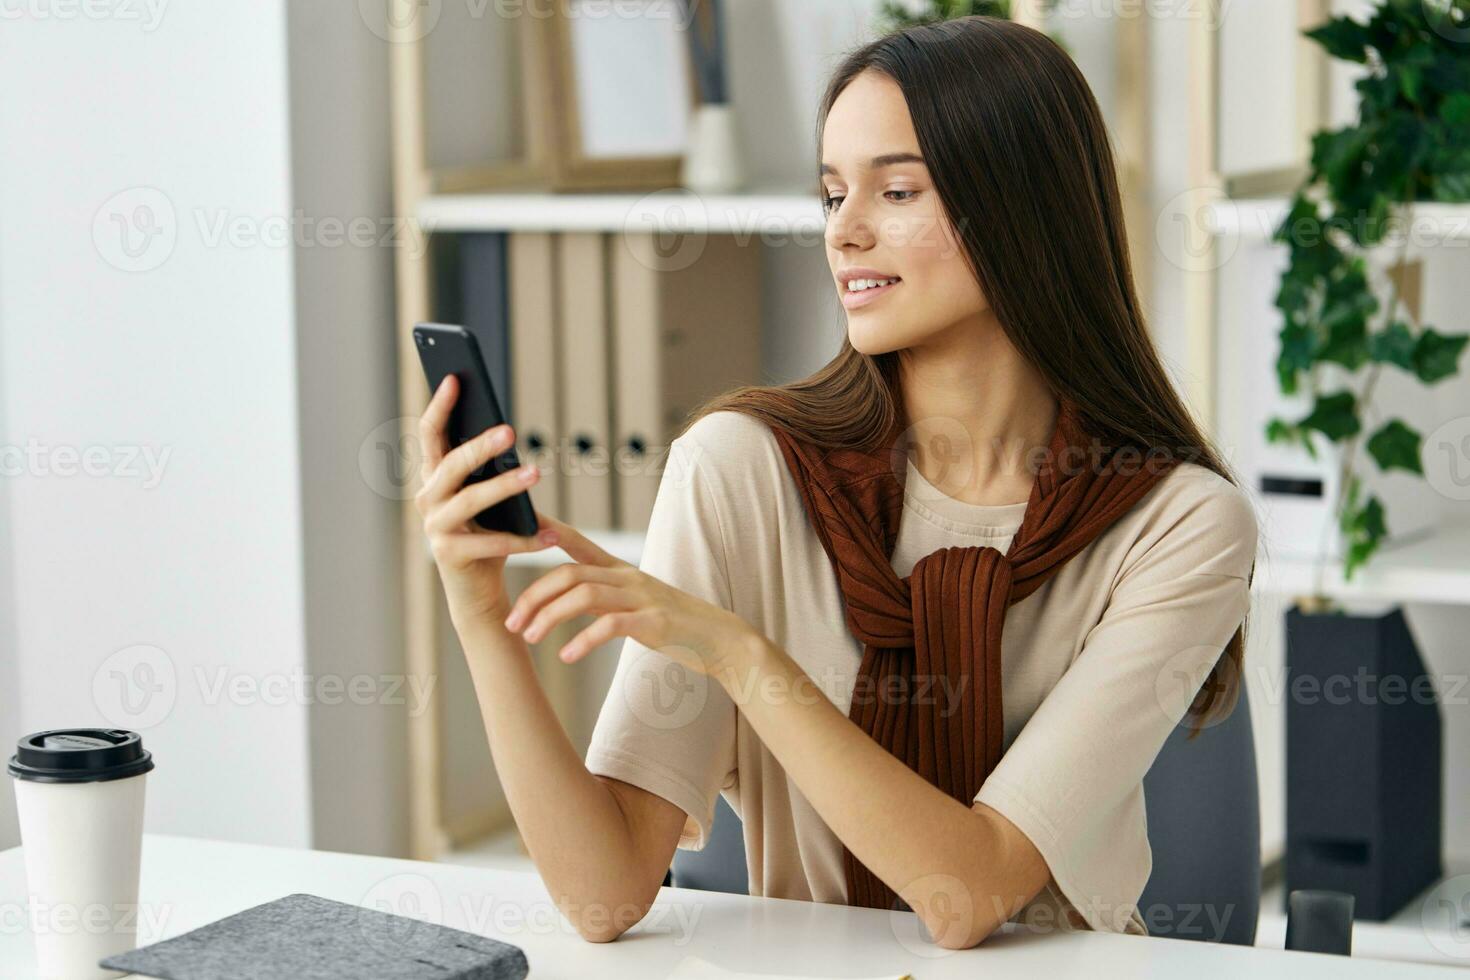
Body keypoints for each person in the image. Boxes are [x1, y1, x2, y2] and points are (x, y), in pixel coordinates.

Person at [414, 15, 1258, 950]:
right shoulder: (740, 470)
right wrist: (481, 614)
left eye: (896, 190)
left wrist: (745, 659)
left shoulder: (1179, 525)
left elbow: (967, 895)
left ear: (1025, 209)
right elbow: (605, 895)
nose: (844, 231)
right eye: (830, 194)